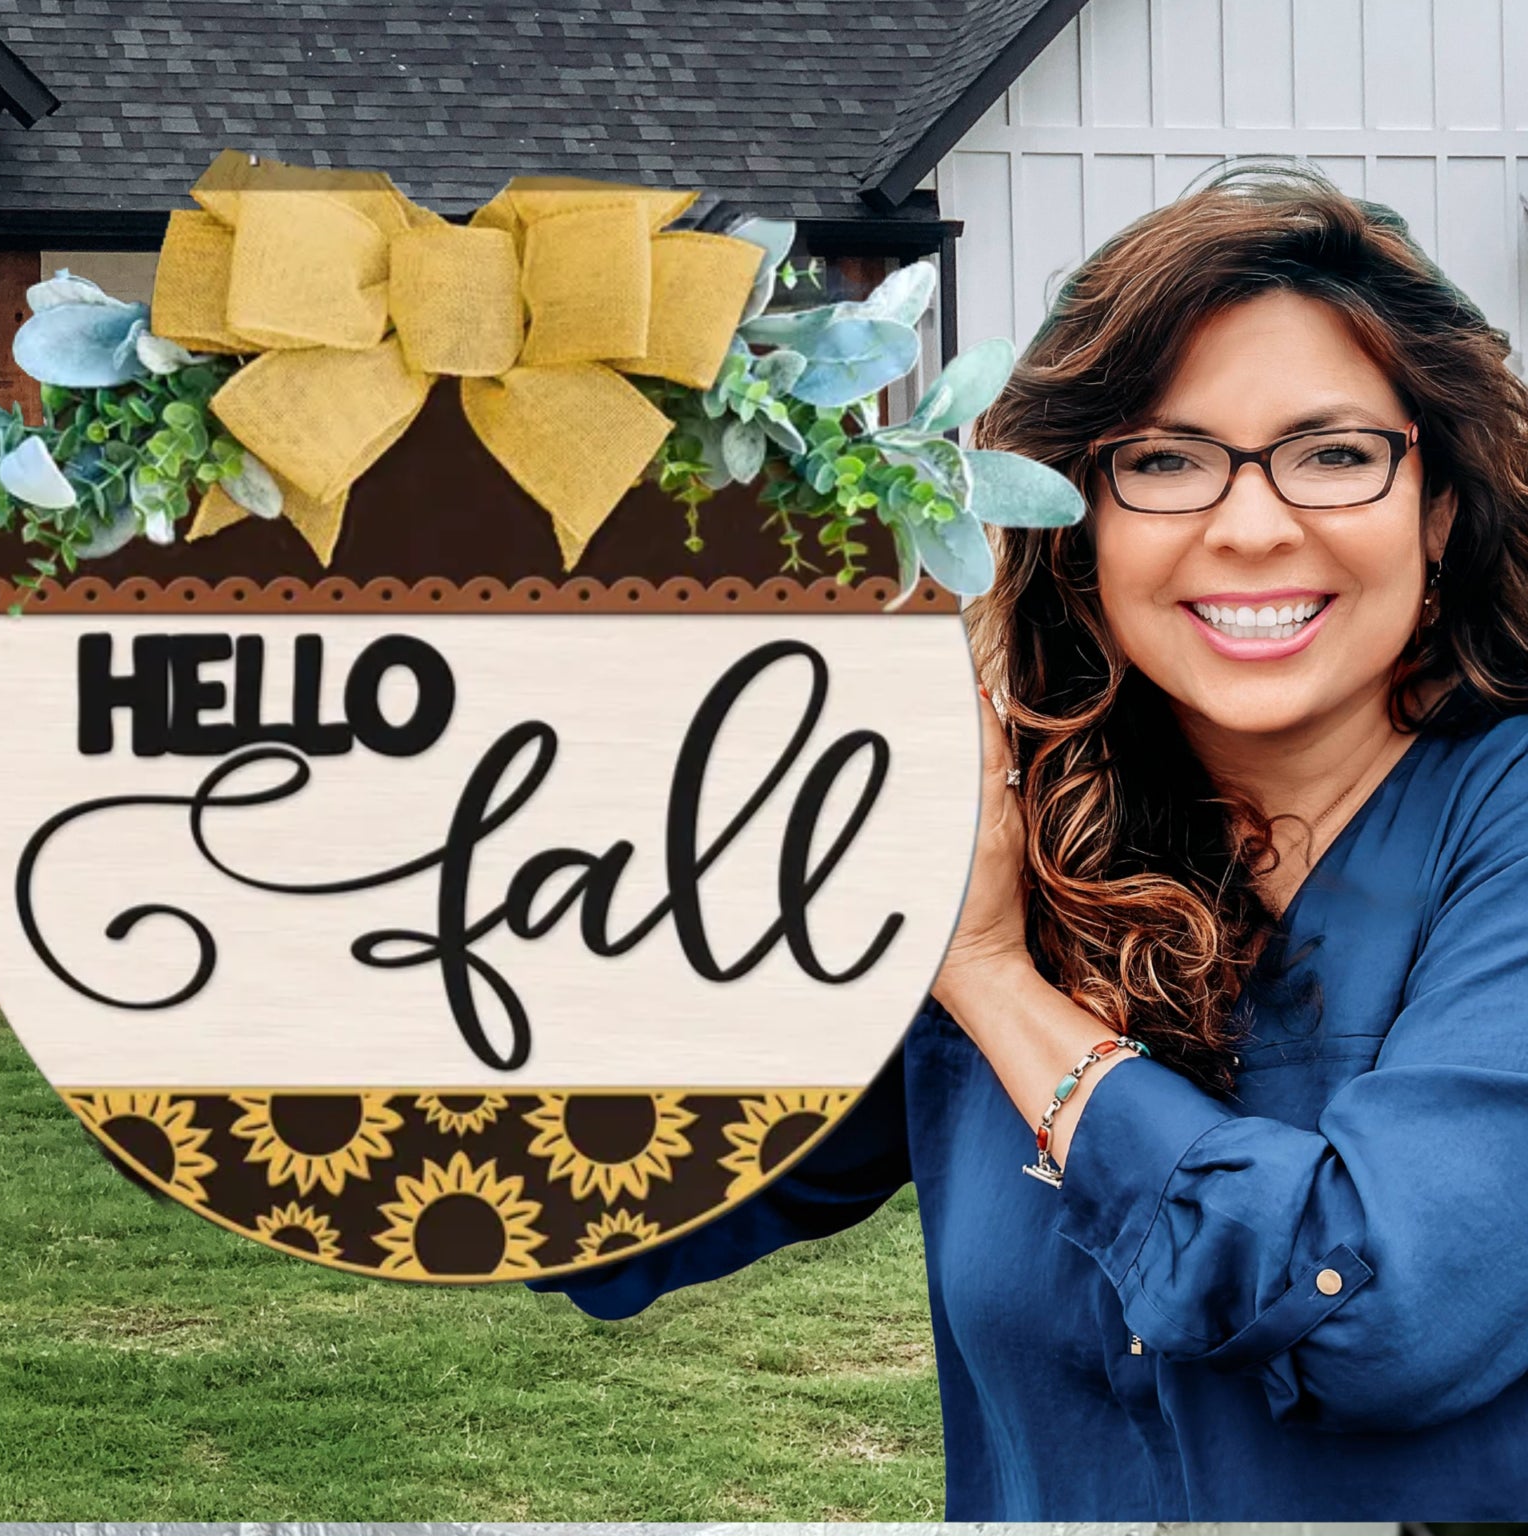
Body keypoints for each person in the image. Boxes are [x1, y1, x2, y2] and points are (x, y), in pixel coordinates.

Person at [531, 162, 1528, 1519]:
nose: (1249, 526)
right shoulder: (1012, 829)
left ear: (1441, 505)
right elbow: (608, 1201)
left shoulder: (1500, 826)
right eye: (1164, 461)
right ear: (1081, 524)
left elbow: (1384, 1313)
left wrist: (997, 983)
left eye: (1334, 454)